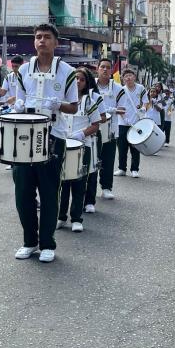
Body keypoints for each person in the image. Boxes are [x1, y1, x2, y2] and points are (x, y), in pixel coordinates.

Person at [10, 24, 78, 263]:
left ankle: (47, 242)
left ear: (55, 42)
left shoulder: (67, 71)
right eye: (38, 37)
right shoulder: (24, 70)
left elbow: (74, 106)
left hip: (53, 136)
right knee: (22, 193)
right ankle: (29, 241)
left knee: (49, 192)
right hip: (24, 137)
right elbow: (18, 101)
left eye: (47, 37)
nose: (41, 41)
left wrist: (57, 105)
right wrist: (17, 106)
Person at [58, 67, 102, 232]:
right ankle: (61, 217)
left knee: (79, 184)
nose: (78, 82)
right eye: (75, 78)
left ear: (86, 83)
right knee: (61, 184)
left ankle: (76, 218)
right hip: (63, 146)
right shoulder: (61, 99)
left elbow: (96, 124)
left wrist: (82, 134)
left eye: (82, 79)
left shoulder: (89, 101)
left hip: (82, 147)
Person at [93, 58, 123, 200]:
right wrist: (110, 110)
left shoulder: (118, 88)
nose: (105, 70)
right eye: (102, 67)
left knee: (108, 160)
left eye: (108, 67)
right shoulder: (90, 85)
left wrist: (106, 111)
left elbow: (122, 109)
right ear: (97, 69)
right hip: (92, 128)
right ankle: (89, 191)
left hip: (110, 130)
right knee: (92, 160)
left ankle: (106, 187)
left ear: (111, 71)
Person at [115, 69, 148, 178]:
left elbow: (146, 101)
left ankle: (134, 169)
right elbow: (118, 106)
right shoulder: (120, 90)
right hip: (122, 123)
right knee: (122, 147)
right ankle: (121, 168)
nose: (128, 78)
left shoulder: (141, 88)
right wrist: (124, 118)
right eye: (126, 76)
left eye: (130, 75)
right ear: (123, 79)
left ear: (134, 77)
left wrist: (143, 108)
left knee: (135, 147)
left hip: (137, 122)